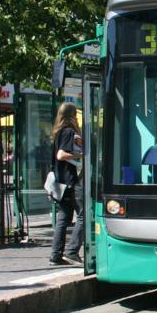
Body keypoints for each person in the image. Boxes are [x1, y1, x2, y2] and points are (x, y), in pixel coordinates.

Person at [50, 102, 84, 266]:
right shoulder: (68, 132)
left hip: (60, 181)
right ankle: (72, 252)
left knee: (63, 219)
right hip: (70, 181)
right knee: (85, 214)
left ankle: (56, 256)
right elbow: (61, 155)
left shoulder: (57, 132)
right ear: (72, 116)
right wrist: (81, 156)